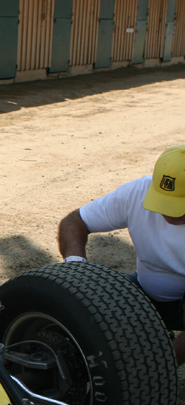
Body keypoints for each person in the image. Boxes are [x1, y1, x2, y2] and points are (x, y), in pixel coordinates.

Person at [58, 145, 185, 364]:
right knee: (78, 301)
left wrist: (153, 369)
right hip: (144, 293)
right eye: (164, 200)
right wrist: (75, 269)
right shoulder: (138, 192)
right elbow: (75, 221)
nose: (168, 213)